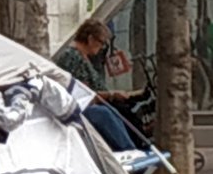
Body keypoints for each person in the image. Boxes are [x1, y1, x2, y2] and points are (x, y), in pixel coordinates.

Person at [53, 21, 146, 152]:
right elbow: (83, 93)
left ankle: (136, 147)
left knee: (125, 110)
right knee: (108, 113)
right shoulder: (72, 57)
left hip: (96, 101)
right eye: (101, 43)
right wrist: (112, 95)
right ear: (90, 39)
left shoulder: (84, 57)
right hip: (84, 107)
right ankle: (129, 150)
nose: (102, 47)